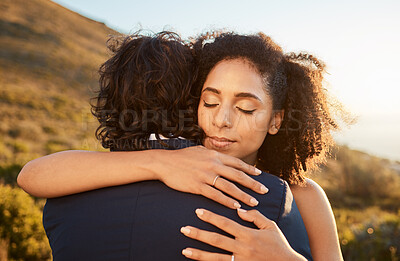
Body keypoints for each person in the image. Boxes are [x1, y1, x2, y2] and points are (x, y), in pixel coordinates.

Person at [17, 31, 346, 260]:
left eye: (246, 108)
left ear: (276, 120)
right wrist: (160, 162)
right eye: (210, 102)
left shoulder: (302, 195)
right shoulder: (172, 168)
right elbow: (33, 174)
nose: (222, 120)